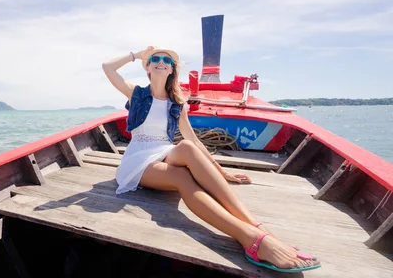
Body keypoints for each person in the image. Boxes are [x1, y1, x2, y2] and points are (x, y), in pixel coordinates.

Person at [102, 46, 321, 273]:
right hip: (138, 160)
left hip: (163, 151)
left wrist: (222, 172)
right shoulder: (135, 93)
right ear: (148, 67)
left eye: (166, 60)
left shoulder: (177, 104)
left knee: (186, 146)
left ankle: (259, 229)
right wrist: (137, 55)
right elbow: (107, 68)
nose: (160, 61)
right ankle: (250, 238)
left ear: (171, 69)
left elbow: (194, 142)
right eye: (155, 59)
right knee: (182, 176)